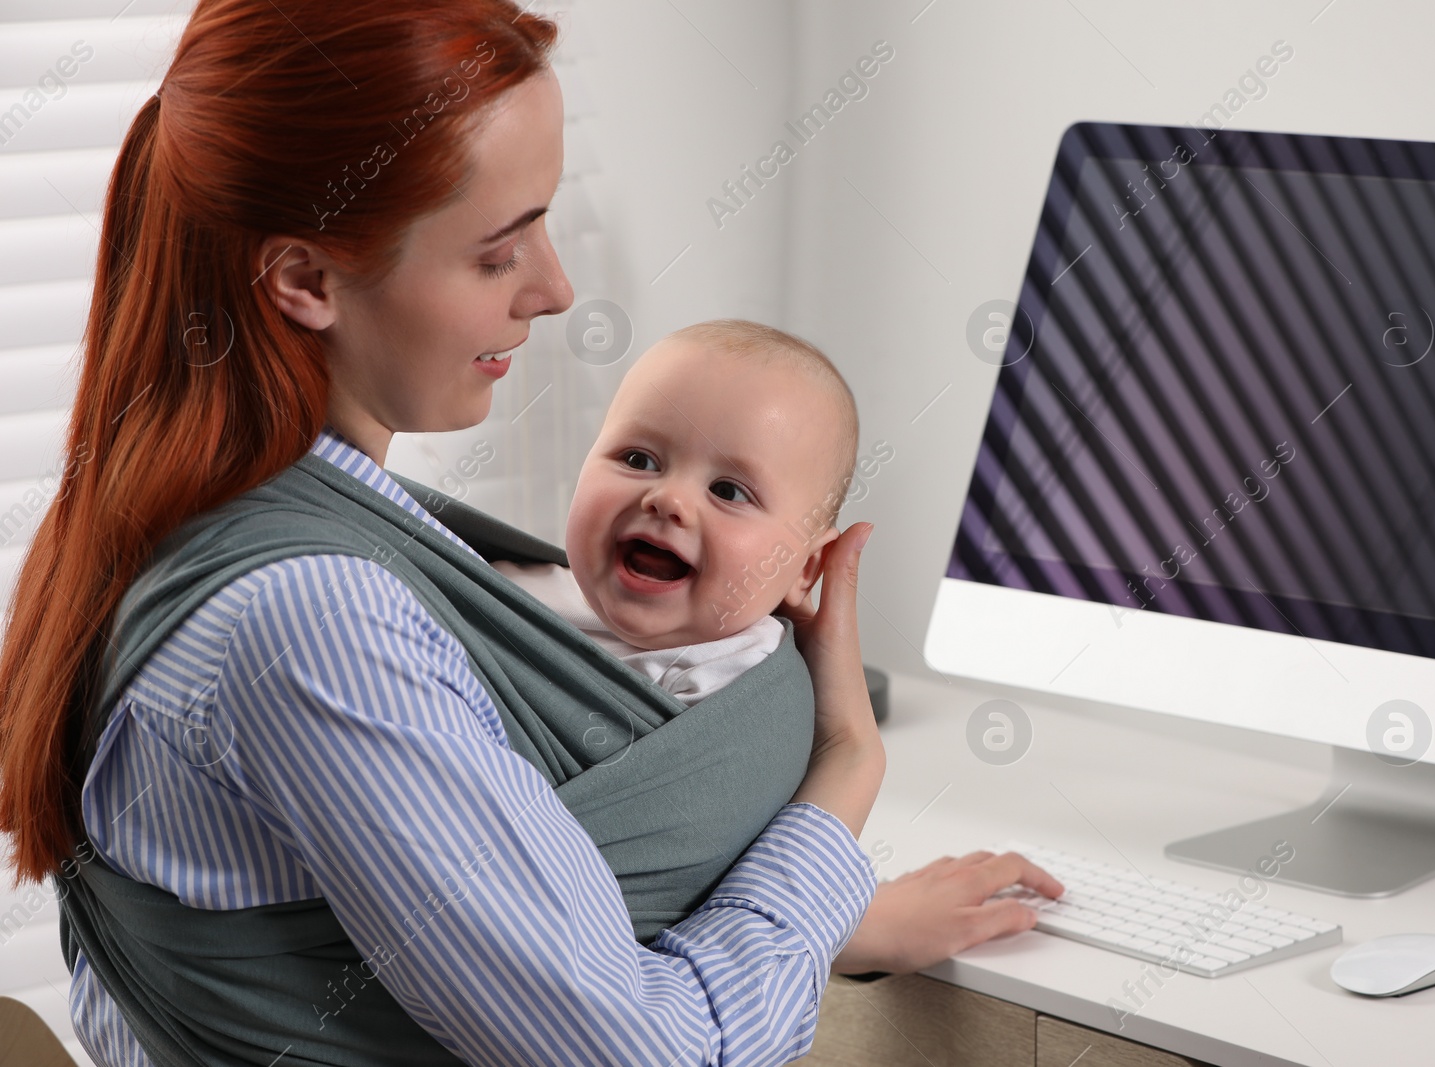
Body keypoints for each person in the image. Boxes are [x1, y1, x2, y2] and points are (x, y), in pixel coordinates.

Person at [0, 2, 1062, 1064]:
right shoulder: (312, 615)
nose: (554, 291)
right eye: (498, 253)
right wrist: (839, 784)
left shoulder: (180, 521)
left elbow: (482, 919)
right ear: (306, 279)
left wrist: (835, 920)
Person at [490, 319, 860, 707]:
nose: (669, 499)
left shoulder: (736, 673)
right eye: (638, 459)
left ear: (804, 567)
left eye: (728, 491)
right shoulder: (505, 585)